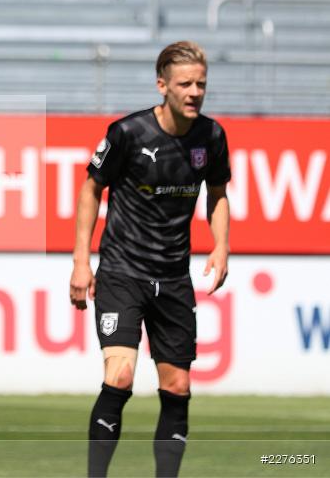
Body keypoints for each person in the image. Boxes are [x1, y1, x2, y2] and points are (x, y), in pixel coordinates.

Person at [69, 41, 231, 477]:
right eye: (185, 84)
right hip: (123, 273)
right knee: (120, 375)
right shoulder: (128, 134)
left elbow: (217, 195)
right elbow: (90, 189)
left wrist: (221, 244)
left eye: (201, 83)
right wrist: (81, 262)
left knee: (178, 385)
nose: (195, 91)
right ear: (163, 85)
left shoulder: (211, 137)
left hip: (174, 278)